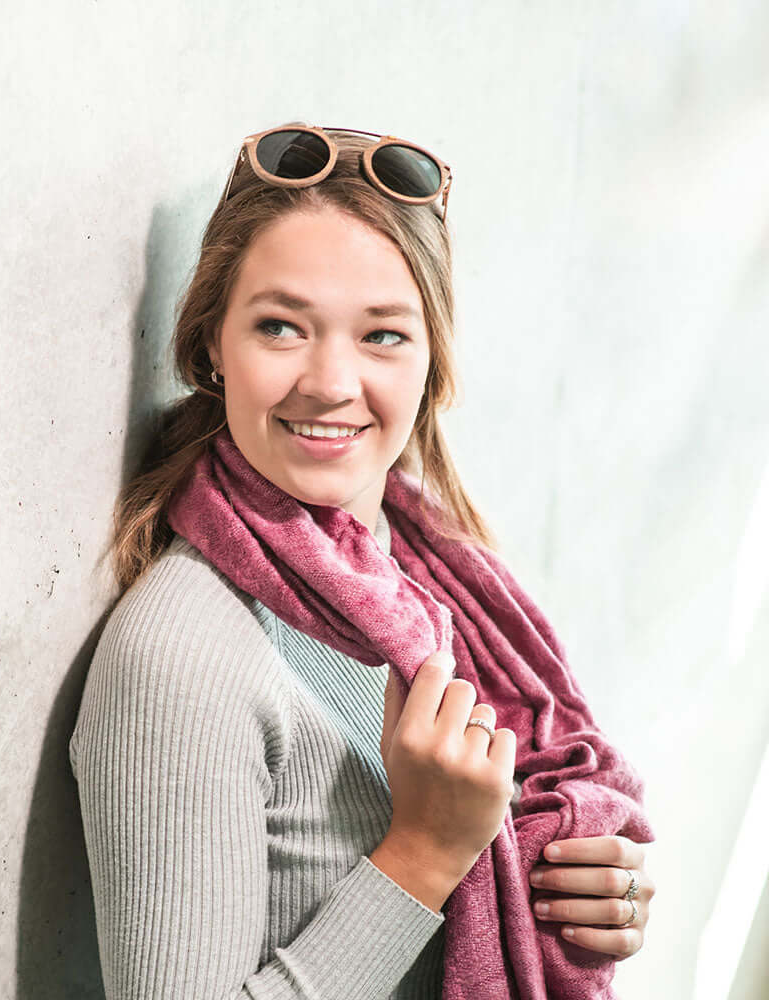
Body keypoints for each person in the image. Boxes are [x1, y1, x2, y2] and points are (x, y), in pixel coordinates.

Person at [69, 123, 655, 998]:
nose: (332, 382)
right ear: (211, 352)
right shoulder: (181, 658)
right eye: (280, 327)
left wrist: (584, 894)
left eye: (382, 336)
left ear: (434, 365)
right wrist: (423, 854)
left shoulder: (433, 579)